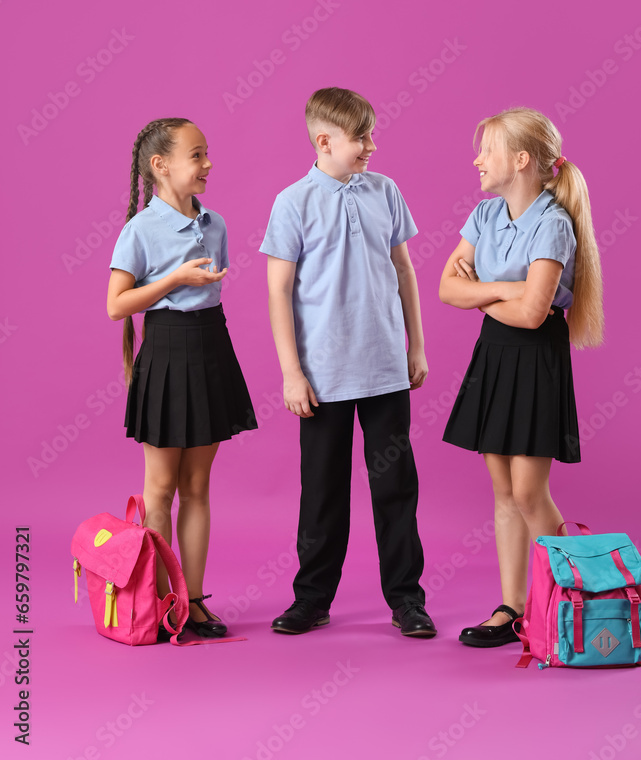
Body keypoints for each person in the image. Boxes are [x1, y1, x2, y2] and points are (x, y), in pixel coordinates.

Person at [259, 87, 435, 638]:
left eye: (370, 135)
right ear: (324, 140)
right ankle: (312, 599)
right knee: (323, 494)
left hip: (385, 370)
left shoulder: (385, 191)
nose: (370, 147)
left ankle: (407, 600)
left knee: (396, 491)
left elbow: (404, 270)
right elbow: (278, 290)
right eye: (361, 138)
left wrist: (417, 346)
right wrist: (291, 371)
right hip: (323, 376)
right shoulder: (293, 202)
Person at [439, 107, 603, 647]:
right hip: (495, 355)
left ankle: (585, 596)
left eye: (487, 150)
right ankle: (512, 609)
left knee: (531, 493)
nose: (476, 159)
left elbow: (535, 315)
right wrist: (508, 289)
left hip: (535, 358)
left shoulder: (553, 223)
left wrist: (482, 288)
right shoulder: (484, 217)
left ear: (522, 160)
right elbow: (446, 289)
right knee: (503, 493)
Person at [107, 117, 257, 640]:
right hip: (166, 349)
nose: (207, 164)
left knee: (198, 486)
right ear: (160, 165)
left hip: (210, 346)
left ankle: (192, 600)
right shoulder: (140, 229)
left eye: (206, 153)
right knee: (160, 489)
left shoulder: (214, 223)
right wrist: (174, 278)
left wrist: (196, 282)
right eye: (196, 155)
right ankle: (157, 599)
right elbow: (116, 305)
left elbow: (213, 291)